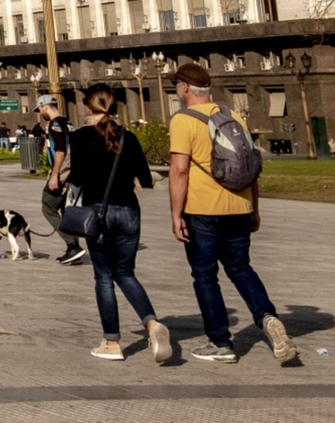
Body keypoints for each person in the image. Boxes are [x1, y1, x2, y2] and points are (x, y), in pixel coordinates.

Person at [168, 61, 296, 363]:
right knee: (240, 268)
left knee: (205, 276)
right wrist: (254, 208)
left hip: (202, 210)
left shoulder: (182, 120)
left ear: (185, 89)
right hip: (239, 206)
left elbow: (179, 171)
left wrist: (176, 214)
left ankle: (221, 343)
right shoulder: (232, 115)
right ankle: (267, 317)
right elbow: (250, 166)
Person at [67, 83, 172, 363]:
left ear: (89, 107)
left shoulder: (79, 138)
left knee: (103, 276)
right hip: (128, 212)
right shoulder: (129, 136)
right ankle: (152, 324)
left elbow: (77, 176)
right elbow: (147, 180)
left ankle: (112, 342)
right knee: (125, 273)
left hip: (96, 213)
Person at [37, 94, 86, 266]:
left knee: (48, 206)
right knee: (65, 211)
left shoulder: (55, 124)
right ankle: (74, 251)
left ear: (45, 107)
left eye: (39, 109)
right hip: (72, 172)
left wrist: (55, 175)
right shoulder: (68, 123)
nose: (40, 113)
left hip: (63, 173)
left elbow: (60, 151)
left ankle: (73, 245)